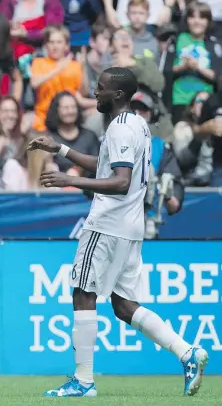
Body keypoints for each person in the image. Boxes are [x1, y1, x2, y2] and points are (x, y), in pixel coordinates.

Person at [27, 67, 208, 397]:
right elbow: (107, 164)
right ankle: (188, 353)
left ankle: (83, 381)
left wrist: (70, 180)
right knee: (124, 306)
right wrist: (61, 150)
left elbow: (120, 182)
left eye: (100, 88)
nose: (95, 94)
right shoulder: (135, 124)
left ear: (119, 95)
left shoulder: (121, 129)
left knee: (83, 293)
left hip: (108, 224)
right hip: (130, 227)